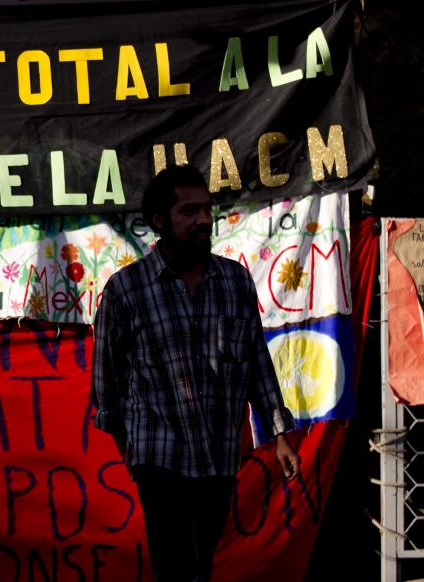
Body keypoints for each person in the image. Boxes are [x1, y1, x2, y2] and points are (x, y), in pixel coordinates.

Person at [90, 164, 300, 582]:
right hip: (158, 454)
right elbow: (105, 385)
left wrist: (280, 435)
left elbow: (257, 359)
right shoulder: (126, 290)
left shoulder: (235, 282)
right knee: (177, 566)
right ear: (158, 221)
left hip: (218, 456)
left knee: (200, 564)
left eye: (206, 210)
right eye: (189, 211)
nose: (204, 220)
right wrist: (131, 454)